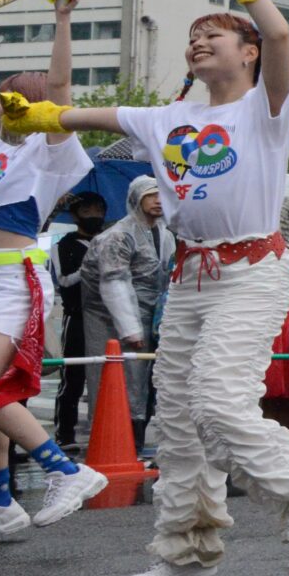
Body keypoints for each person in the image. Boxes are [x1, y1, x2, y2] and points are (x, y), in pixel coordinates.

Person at [23, 0, 289, 576]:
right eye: (193, 36)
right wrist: (57, 34)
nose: (198, 40)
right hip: (189, 277)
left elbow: (283, 36)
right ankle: (186, 550)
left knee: (218, 400)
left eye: (215, 33)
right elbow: (63, 112)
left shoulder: (267, 111)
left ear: (248, 52)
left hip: (251, 272)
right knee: (178, 419)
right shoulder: (164, 119)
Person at [0, 0, 109, 540]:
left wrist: (62, 20)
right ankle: (1, 503)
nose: (3, 103)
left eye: (13, 96)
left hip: (12, 282)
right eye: (1, 96)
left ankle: (65, 470)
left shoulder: (46, 153)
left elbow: (61, 90)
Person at [82, 176, 171, 450]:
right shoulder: (118, 236)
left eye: (161, 194)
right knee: (115, 379)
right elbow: (114, 282)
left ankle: (135, 441)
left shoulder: (164, 233)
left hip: (149, 316)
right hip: (109, 320)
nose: (158, 200)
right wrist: (130, 329)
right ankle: (111, 443)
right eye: (150, 195)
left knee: (142, 381)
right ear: (136, 199)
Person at [50, 190, 109, 449]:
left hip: (107, 318)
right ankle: (64, 434)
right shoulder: (64, 245)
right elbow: (64, 280)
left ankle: (106, 432)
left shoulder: (110, 241)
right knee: (73, 377)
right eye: (87, 211)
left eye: (98, 210)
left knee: (108, 375)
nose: (94, 215)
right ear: (74, 216)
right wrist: (91, 264)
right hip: (77, 317)